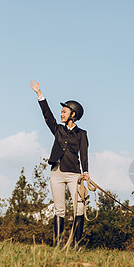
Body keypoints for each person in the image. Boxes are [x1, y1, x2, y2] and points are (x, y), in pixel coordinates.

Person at [30, 80, 89, 247]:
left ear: (73, 115)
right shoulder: (58, 130)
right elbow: (47, 115)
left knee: (78, 209)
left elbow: (84, 154)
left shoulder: (82, 134)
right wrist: (39, 95)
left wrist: (86, 172)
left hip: (74, 175)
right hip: (56, 173)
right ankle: (57, 245)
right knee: (59, 210)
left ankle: (76, 245)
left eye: (64, 112)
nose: (61, 114)